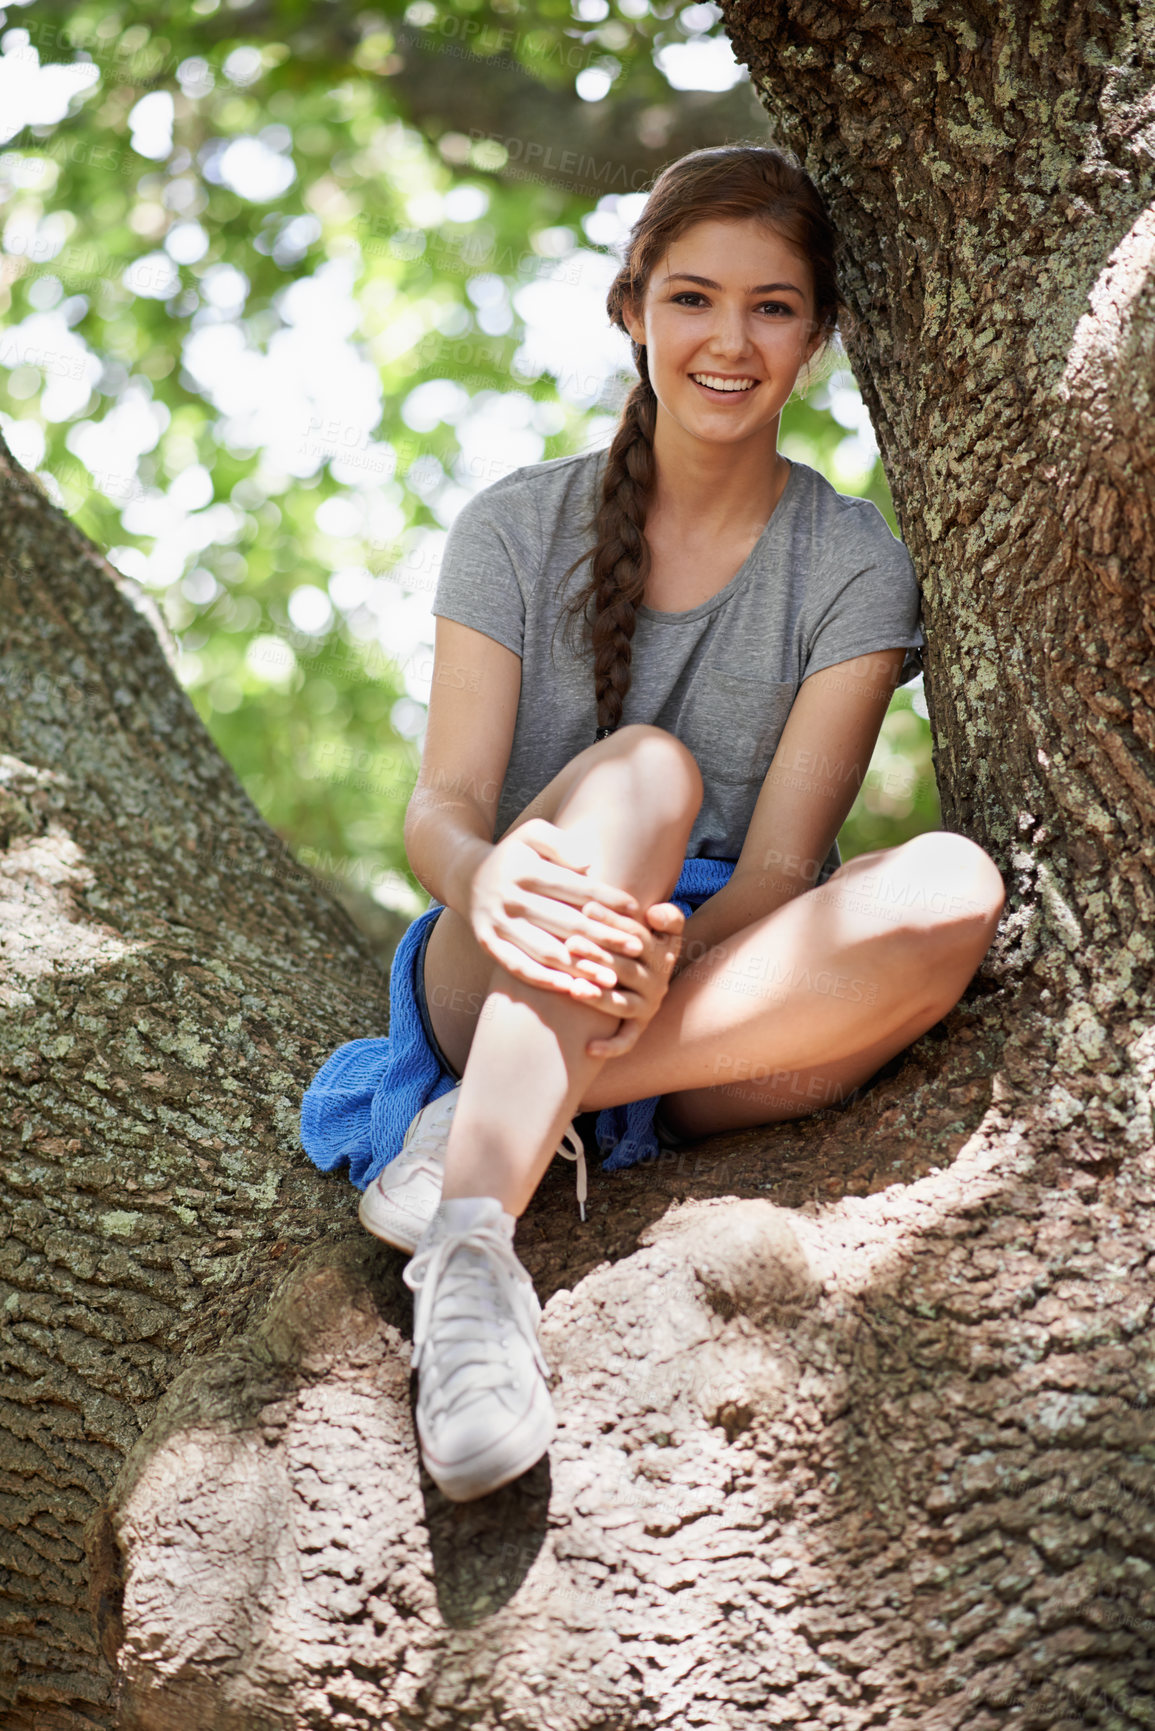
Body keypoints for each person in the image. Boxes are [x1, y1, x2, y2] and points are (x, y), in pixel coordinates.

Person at [300, 143, 1006, 1505]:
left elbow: (790, 868)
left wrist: (655, 966)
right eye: (692, 299)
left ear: (819, 334)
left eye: (773, 307)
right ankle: (468, 1259)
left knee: (952, 888)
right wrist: (489, 878)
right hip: (506, 948)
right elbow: (442, 806)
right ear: (633, 313)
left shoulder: (853, 563)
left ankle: (488, 1116)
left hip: (711, 992)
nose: (728, 341)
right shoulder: (516, 526)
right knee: (646, 775)